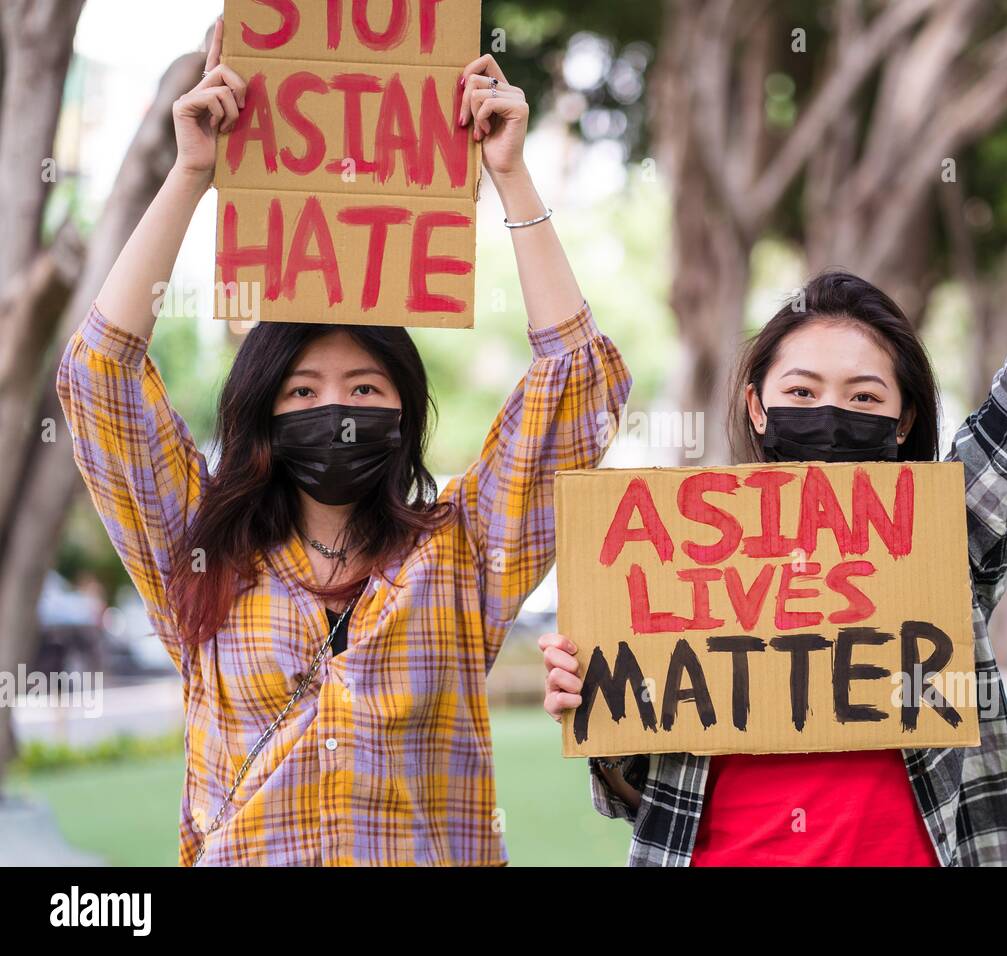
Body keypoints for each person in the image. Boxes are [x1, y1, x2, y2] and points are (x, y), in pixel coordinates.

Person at [540, 62, 1007, 866]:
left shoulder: (944, 535)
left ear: (902, 420)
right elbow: (632, 796)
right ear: (757, 406)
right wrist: (600, 707)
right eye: (804, 389)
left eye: (862, 397)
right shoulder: (682, 566)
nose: (831, 414)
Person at [56, 20, 630, 866]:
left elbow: (579, 386)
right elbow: (99, 378)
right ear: (262, 414)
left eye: (365, 389)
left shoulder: (464, 555)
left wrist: (509, 176)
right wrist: (191, 176)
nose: (338, 409)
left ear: (405, 412)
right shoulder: (198, 550)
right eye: (303, 391)